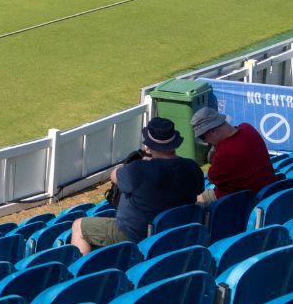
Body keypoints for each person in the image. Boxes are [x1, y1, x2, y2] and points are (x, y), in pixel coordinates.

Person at [72, 117, 204, 253]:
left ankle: (79, 273)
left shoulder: (139, 170)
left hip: (136, 235)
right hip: (177, 231)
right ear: (174, 144)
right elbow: (196, 189)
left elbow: (114, 176)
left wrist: (128, 166)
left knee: (79, 226)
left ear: (148, 145)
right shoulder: (192, 167)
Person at [192, 107, 279, 201]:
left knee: (191, 199)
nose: (205, 141)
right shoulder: (248, 128)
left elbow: (211, 178)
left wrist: (215, 151)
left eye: (203, 137)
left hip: (238, 200)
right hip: (267, 192)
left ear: (214, 131)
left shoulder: (223, 154)